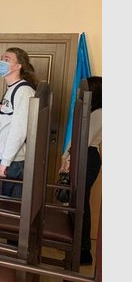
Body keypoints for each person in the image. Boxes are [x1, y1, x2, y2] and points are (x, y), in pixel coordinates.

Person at [60, 76, 101, 265]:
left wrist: (67, 161)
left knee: (81, 203)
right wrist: (65, 158)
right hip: (82, 155)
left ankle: (83, 251)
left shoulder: (99, 113)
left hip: (87, 157)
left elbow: (83, 140)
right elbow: (76, 138)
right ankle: (76, 245)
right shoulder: (90, 111)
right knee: (78, 201)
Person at [0, 47, 38, 198]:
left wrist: (5, 162)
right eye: (2, 59)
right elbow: (11, 120)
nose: (2, 62)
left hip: (12, 159)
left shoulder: (23, 91)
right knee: (8, 205)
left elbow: (19, 129)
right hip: (7, 156)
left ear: (18, 66)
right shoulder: (12, 89)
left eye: (7, 59)